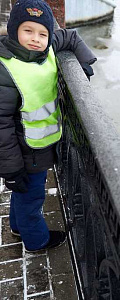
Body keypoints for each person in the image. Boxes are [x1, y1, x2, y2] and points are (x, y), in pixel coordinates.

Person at [0, 0, 97, 252]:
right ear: (13, 31)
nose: (36, 39)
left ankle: (17, 227)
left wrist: (85, 64)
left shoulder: (48, 48)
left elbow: (72, 37)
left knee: (23, 195)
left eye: (42, 33)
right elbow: (1, 128)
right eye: (27, 31)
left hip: (40, 145)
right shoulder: (5, 70)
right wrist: (10, 170)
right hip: (24, 151)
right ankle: (36, 241)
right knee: (32, 197)